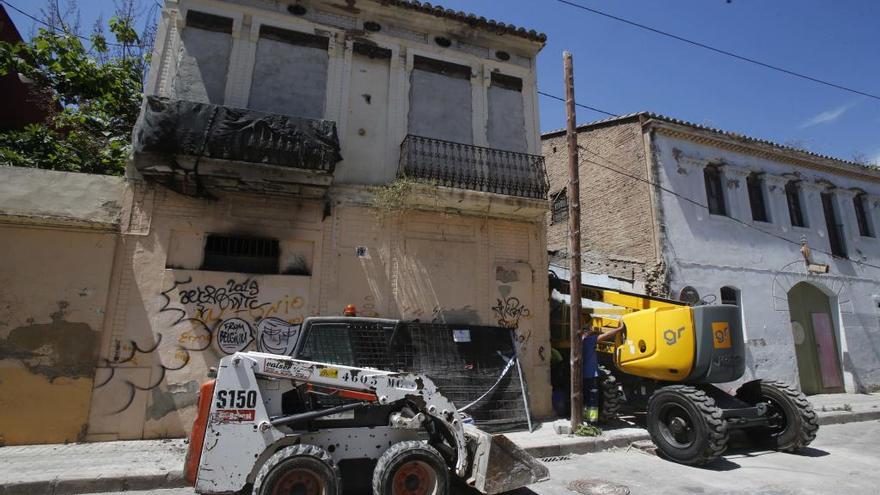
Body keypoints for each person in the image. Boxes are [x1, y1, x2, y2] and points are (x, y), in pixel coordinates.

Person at [582, 322, 625, 423]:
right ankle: (592, 420)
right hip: (591, 375)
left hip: (582, 375)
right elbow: (607, 335)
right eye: (589, 330)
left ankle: (586, 418)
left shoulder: (578, 342)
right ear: (585, 332)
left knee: (586, 397)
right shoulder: (589, 341)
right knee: (593, 399)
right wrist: (619, 329)